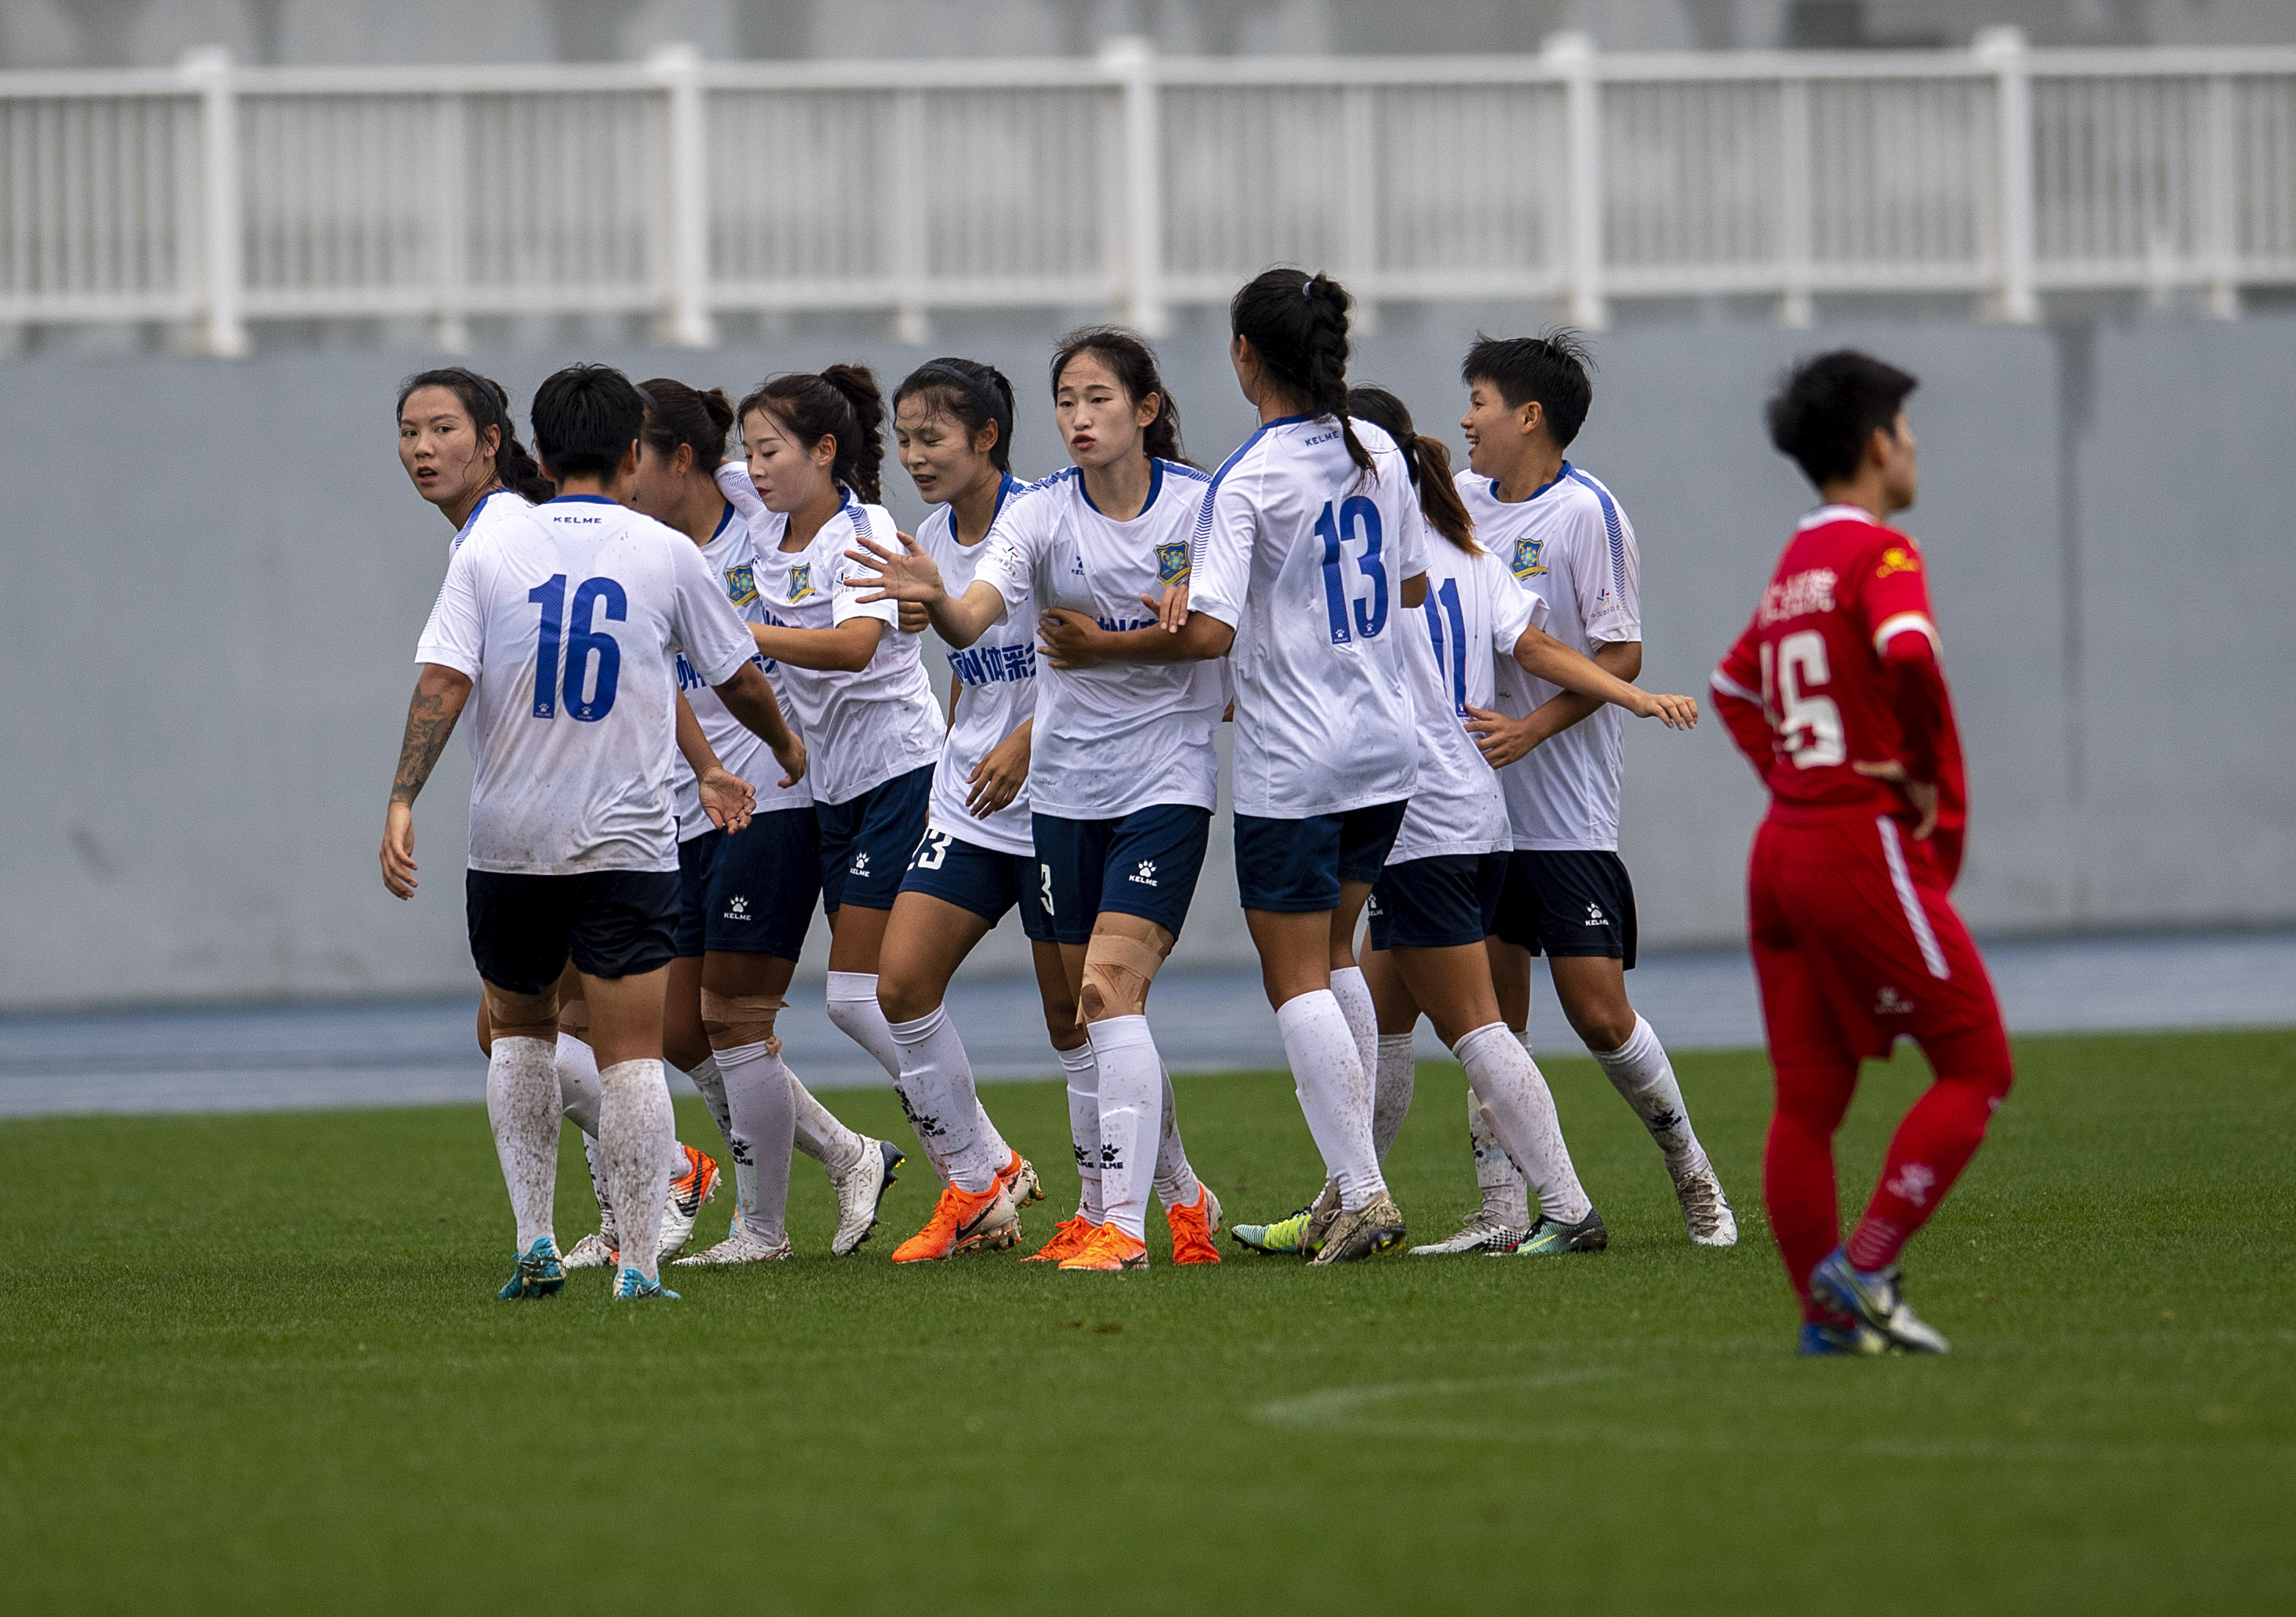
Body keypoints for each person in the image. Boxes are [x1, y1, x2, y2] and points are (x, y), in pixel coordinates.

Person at [1229, 386, 1700, 1259]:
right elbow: (1537, 647)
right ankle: (1346, 1192)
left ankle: (1564, 1205)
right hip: (1472, 817)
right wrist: (1630, 694)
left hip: (1419, 822)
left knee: (1475, 1029)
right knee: (1370, 1006)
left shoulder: (1363, 571)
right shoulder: (1466, 553)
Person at [380, 362, 805, 1302]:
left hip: (509, 842)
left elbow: (442, 682)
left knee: (520, 1040)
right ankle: (639, 1268)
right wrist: (781, 743)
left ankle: (535, 1241)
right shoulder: (661, 550)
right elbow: (733, 673)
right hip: (626, 843)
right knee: (630, 1058)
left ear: (532, 448)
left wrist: (403, 795)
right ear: (627, 454)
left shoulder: (492, 546)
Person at [848, 329, 1224, 1272]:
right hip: (997, 800)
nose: (914, 455)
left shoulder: (1150, 508)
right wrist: (940, 617)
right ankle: (995, 1181)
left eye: (930, 435)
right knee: (903, 987)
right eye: (901, 438)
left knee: (1093, 1009)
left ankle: (1146, 1209)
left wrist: (1031, 731)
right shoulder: (947, 538)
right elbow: (975, 644)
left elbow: (1198, 634)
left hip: (1092, 783)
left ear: (986, 435)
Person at [1709, 349, 2009, 1355]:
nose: (1913, 452)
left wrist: (1793, 774)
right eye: (1908, 435)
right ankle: (1866, 1265)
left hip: (1781, 850)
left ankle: (1823, 1322)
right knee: (1975, 1067)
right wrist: (1912, 769)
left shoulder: (1794, 566)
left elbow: (1732, 686)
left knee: (1807, 1102)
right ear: (1878, 446)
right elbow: (1908, 653)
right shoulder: (1880, 555)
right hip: (1850, 843)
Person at [1134, 270, 1424, 1267]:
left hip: (1294, 759)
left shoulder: (1248, 478)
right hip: (1385, 746)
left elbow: (1207, 628)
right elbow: (1414, 582)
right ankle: (1356, 1184)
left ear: (1243, 356)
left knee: (1293, 975)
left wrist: (1105, 642)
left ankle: (1362, 1190)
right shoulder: (1379, 447)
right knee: (1335, 955)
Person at [1452, 332, 1737, 1249]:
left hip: (1565, 814)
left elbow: (1622, 655)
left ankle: (1693, 1174)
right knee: (1488, 1024)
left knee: (1600, 1015)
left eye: (1480, 401)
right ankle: (1503, 1214)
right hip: (1473, 812)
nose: (1465, 419)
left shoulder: (1587, 515)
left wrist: (1529, 730)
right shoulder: (1454, 504)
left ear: (1528, 416)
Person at [731, 366, 1025, 1249]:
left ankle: (982, 1162)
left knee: (859, 996)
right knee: (862, 995)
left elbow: (858, 646)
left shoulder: (861, 532)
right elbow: (695, 477)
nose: (752, 468)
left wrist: (738, 635)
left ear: (825, 451)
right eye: (744, 453)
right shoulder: (759, 533)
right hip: (831, 786)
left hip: (900, 771)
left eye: (769, 450)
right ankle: (984, 1174)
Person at [616, 377, 836, 1267]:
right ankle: (850, 1156)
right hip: (685, 805)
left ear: (682, 460)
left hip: (771, 798)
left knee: (737, 1018)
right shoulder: (640, 551)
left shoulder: (761, 515)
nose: (626, 472)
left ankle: (762, 1226)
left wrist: (778, 746)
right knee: (677, 1031)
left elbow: (813, 492)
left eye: (641, 453)